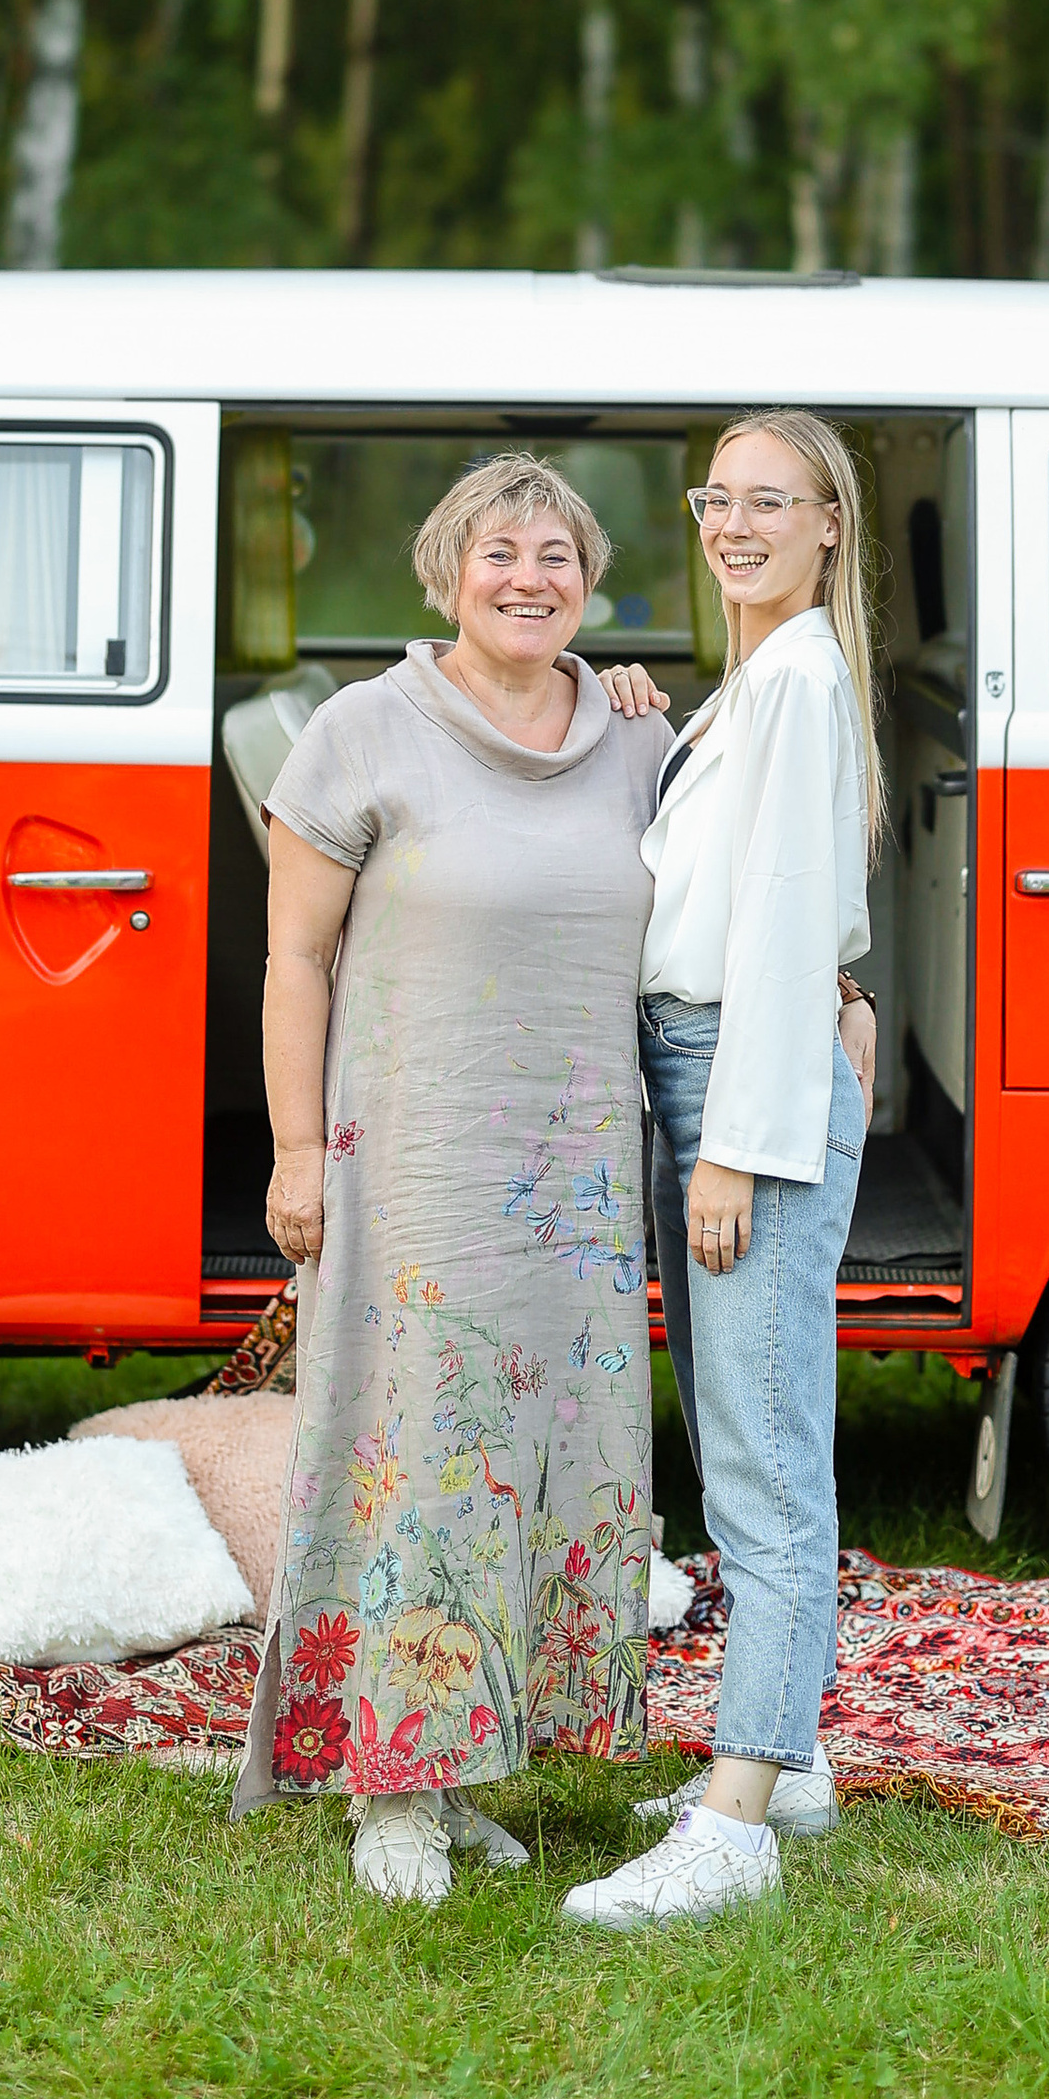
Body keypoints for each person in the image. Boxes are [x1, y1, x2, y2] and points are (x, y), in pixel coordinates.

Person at [231, 454, 675, 1901]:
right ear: (445, 572)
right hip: (416, 1165)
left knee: (548, 1462)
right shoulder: (365, 730)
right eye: (501, 552)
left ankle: (477, 1755)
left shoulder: (634, 740)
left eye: (558, 553)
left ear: (590, 581)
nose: (530, 576)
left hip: (581, 1183)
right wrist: (296, 1149)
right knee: (420, 1460)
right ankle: (393, 1785)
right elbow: (294, 958)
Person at [564, 409, 881, 1933]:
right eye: (717, 498)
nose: (736, 523)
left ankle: (738, 1819)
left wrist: (740, 1151)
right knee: (750, 1436)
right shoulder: (760, 683)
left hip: (733, 1085)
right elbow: (763, 885)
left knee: (762, 1466)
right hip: (716, 1062)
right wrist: (636, 710)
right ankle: (793, 1758)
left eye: (772, 501)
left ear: (830, 523)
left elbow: (778, 919)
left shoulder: (803, 675)